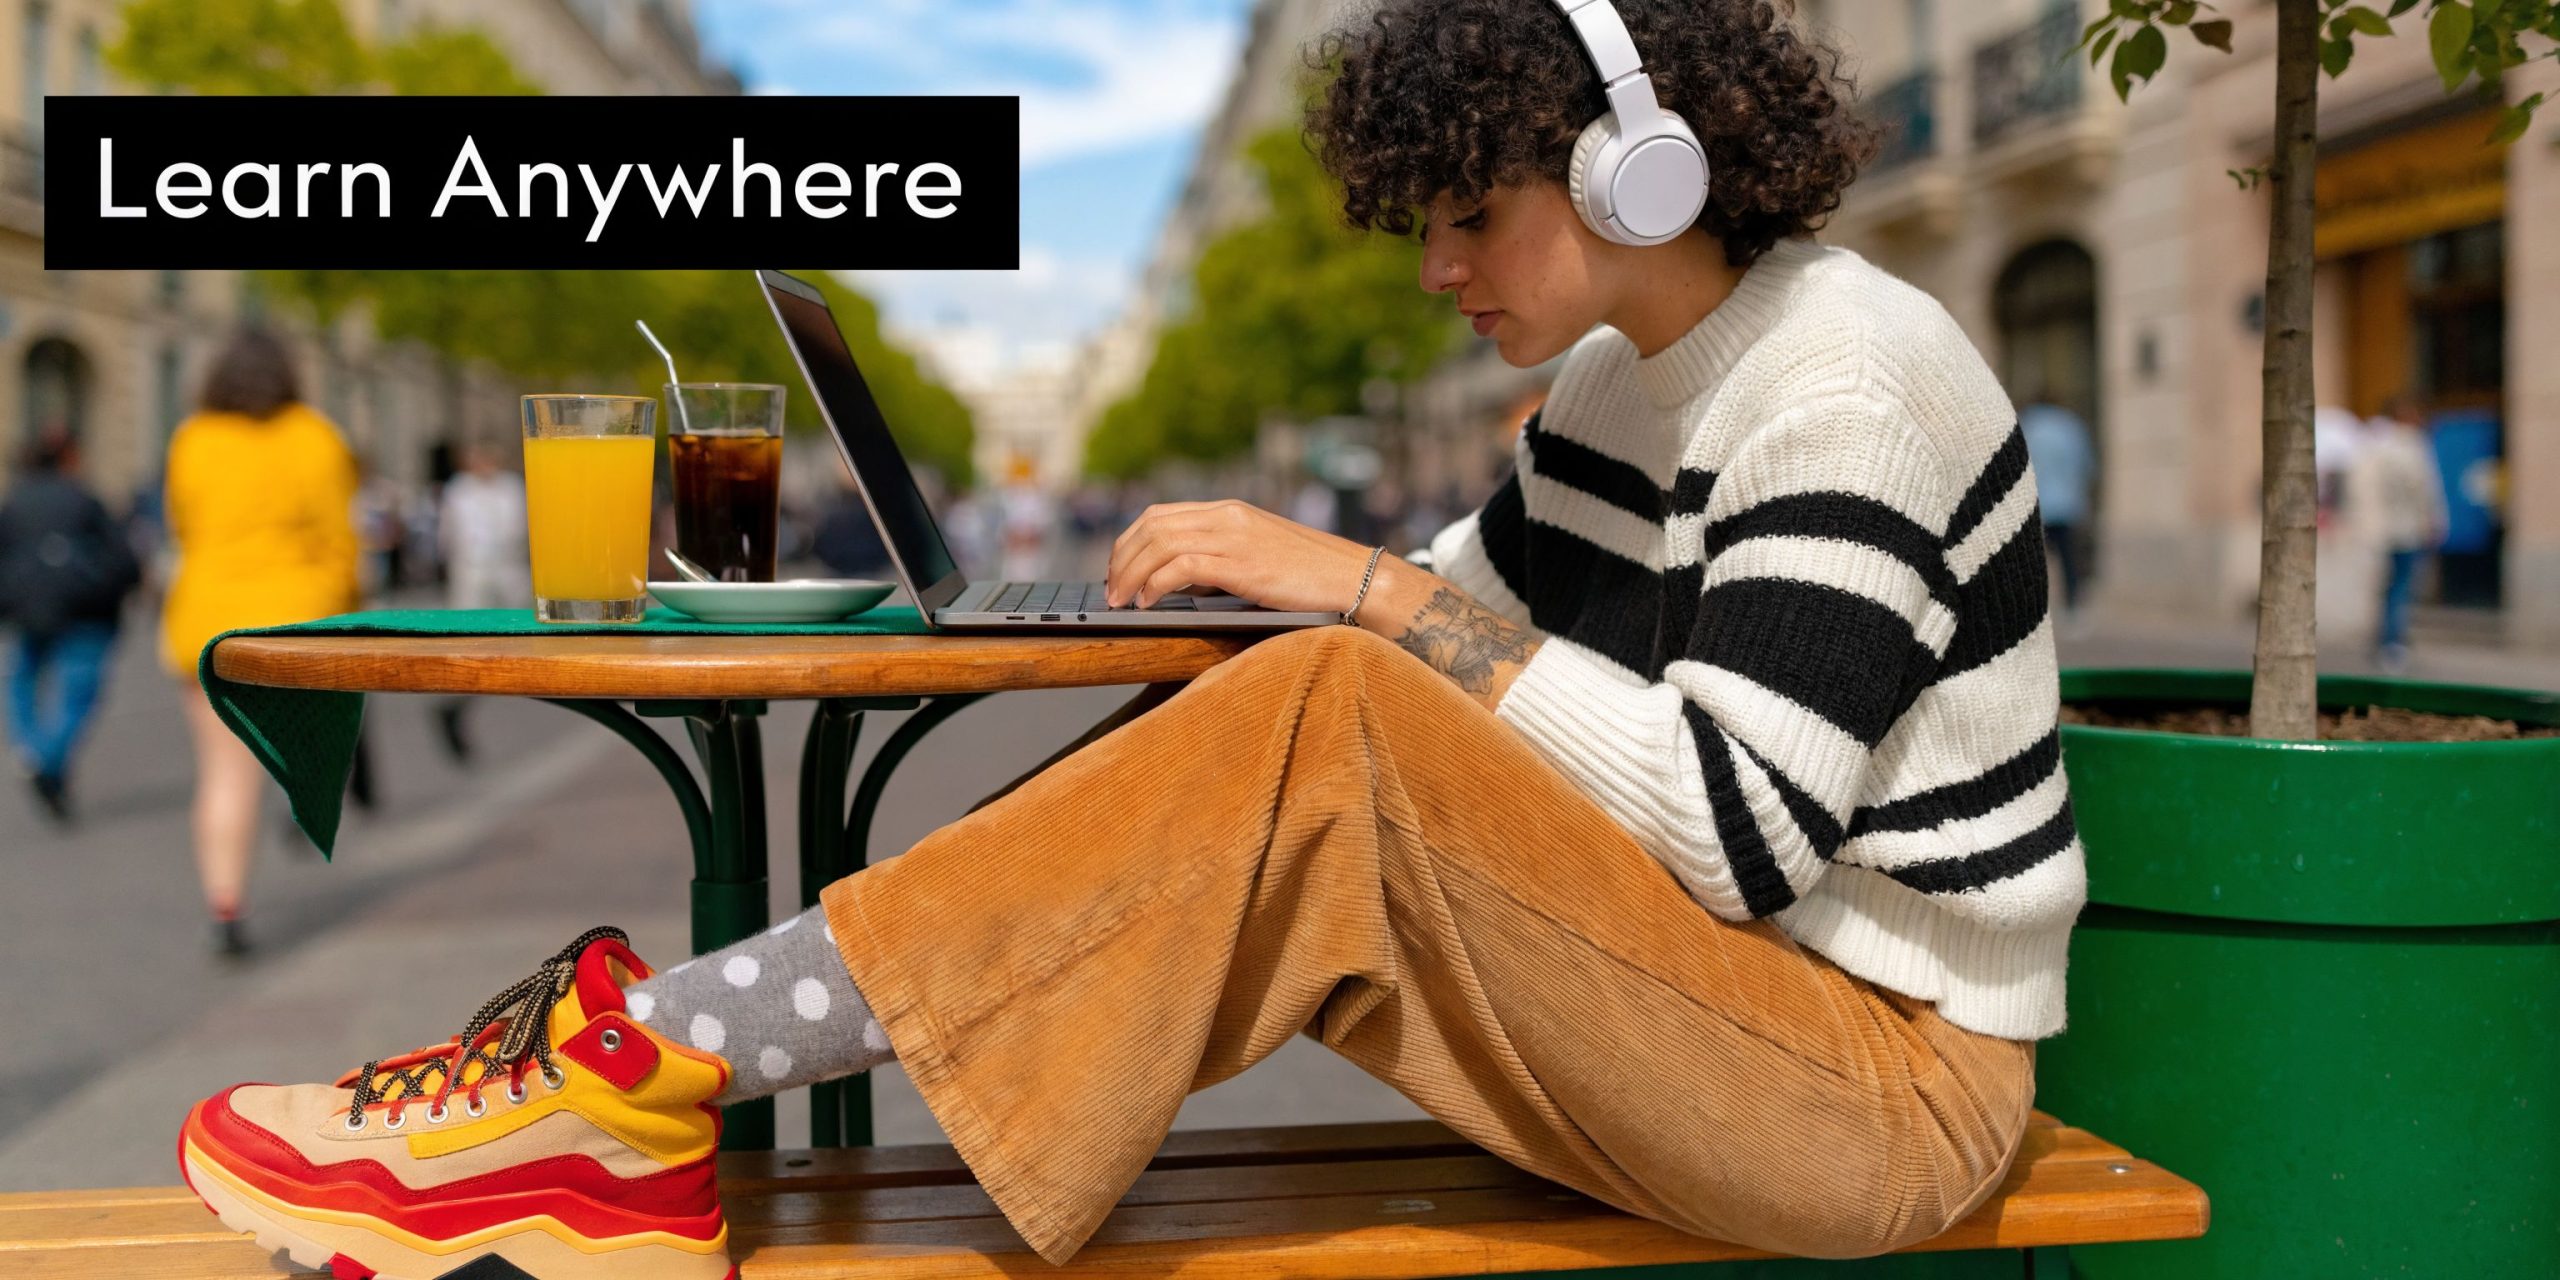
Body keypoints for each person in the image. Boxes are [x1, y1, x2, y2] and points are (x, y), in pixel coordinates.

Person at [173, 4, 2086, 1275]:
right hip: (1711, 1018)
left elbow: (1730, 828)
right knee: (1309, 694)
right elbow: (1461, 634)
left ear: (1631, 169)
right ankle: (627, 1094)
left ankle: (619, 1083)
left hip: (1871, 1091)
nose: (1435, 270)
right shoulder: (1616, 391)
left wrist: (1360, 593)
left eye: (1466, 218)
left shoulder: (1847, 386)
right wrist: (1270, 609)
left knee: (1338, 688)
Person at [160, 327, 361, 958]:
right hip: (295, 620)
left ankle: (225, 906)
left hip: (207, 620)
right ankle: (301, 793)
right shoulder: (315, 436)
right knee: (302, 735)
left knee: (222, 773)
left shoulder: (193, 438)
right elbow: (339, 540)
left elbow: (182, 523)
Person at [0, 428, 140, 822]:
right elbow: (122, 558)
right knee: (78, 692)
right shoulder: (83, 499)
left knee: (21, 682)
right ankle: (47, 759)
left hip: (28, 611)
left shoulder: (14, 503)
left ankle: (31, 750)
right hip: (84, 611)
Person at [432, 441, 531, 762]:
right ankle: (455, 703)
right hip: (472, 574)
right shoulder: (458, 491)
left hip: (509, 573)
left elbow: (521, 528)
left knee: (518, 644)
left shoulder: (512, 488)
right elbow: (449, 537)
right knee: (471, 648)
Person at [2347, 393, 2447, 674]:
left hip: (2382, 530)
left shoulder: (2372, 442)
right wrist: (2434, 521)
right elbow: (2426, 488)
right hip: (2406, 530)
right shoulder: (2412, 445)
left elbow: (2362, 490)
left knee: (2388, 587)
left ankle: (2386, 638)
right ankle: (2392, 641)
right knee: (2399, 587)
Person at [2017, 391, 2094, 626]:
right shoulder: (2071, 427)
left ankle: (2030, 612)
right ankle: (2072, 609)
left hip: (2036, 506)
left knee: (2031, 563)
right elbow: (2087, 466)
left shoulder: (2027, 425)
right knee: (2068, 560)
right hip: (2067, 504)